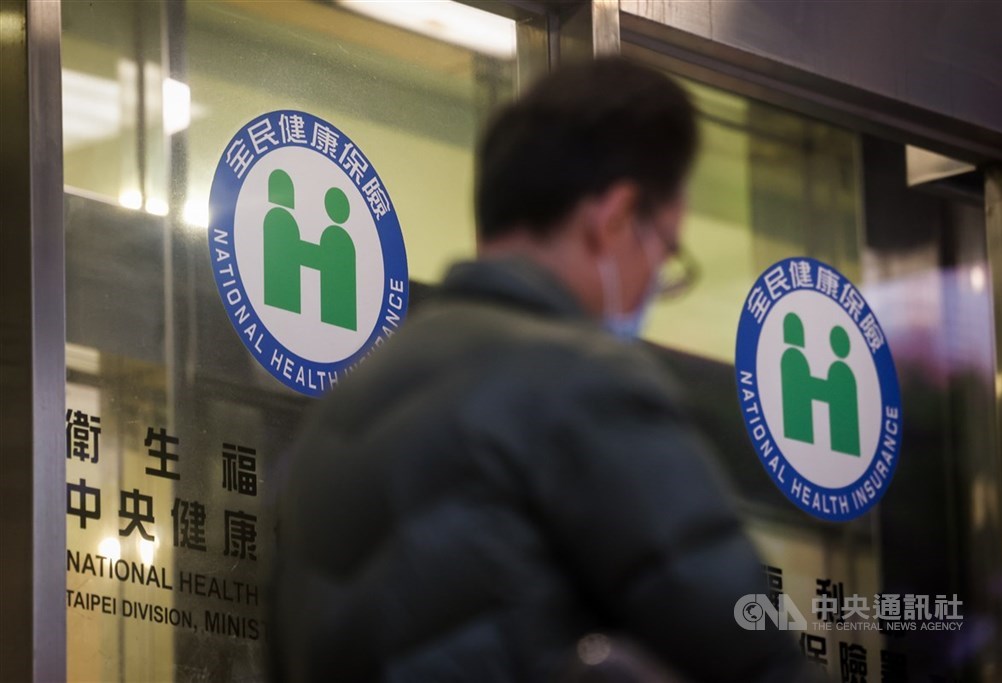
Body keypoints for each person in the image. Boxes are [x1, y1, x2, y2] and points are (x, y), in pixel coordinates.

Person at [269, 57, 817, 682]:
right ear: (616, 218)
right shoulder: (584, 383)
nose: (653, 286)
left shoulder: (332, 421)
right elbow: (746, 653)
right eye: (666, 250)